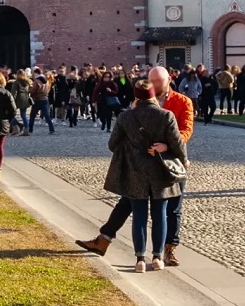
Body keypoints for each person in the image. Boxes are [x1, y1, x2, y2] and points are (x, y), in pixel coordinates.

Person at [78, 66, 194, 265]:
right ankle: (107, 240)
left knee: (171, 210)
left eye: (158, 81)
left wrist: (166, 147)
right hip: (144, 167)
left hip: (168, 163)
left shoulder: (182, 101)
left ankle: (167, 250)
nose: (154, 84)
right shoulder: (139, 109)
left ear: (168, 81)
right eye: (152, 81)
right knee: (128, 204)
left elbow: (185, 130)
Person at [101, 82, 187, 273]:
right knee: (160, 215)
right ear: (153, 95)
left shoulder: (125, 117)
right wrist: (183, 160)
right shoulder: (166, 115)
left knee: (139, 215)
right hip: (160, 171)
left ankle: (140, 259)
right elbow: (178, 144)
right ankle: (157, 257)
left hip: (135, 171)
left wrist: (131, 146)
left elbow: (112, 144)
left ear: (136, 97)